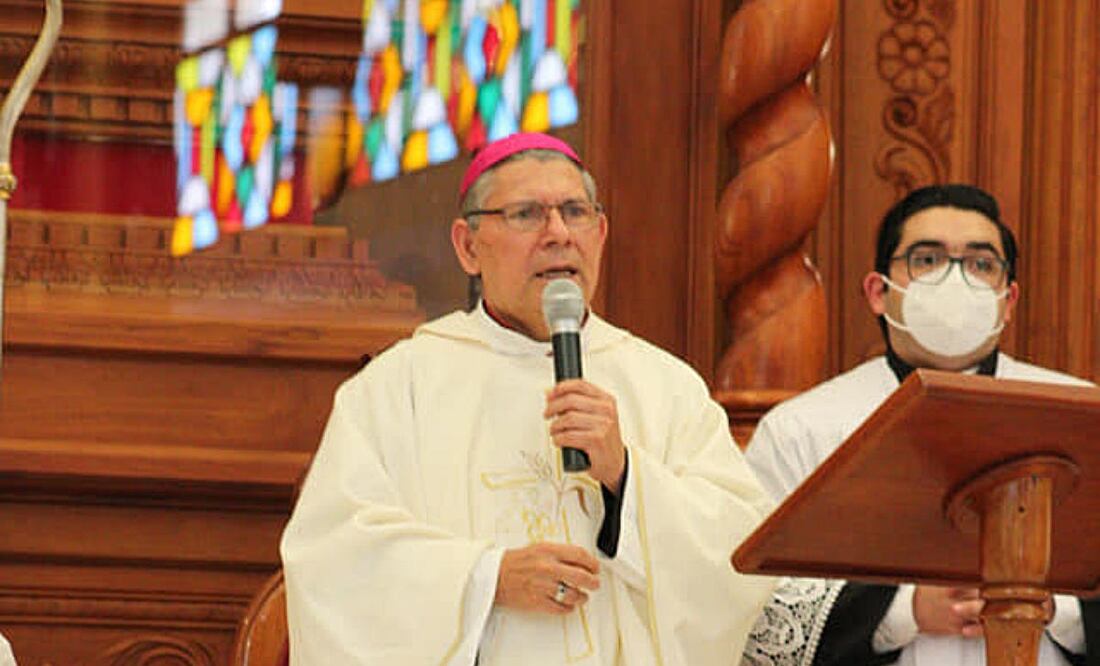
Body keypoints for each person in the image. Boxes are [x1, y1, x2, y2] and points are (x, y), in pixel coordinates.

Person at [281, 132, 775, 665]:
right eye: (526, 214)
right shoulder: (398, 388)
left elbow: (740, 561)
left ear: (601, 234)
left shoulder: (667, 388)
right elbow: (333, 563)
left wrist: (626, 478)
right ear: (468, 247)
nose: (559, 233)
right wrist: (487, 578)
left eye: (574, 212)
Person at [740, 184, 1100, 666]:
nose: (956, 279)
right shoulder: (801, 430)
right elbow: (751, 608)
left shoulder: (1080, 414)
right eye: (927, 259)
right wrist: (904, 611)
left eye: (981, 264)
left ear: (1007, 300)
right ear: (878, 292)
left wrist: (1054, 607)